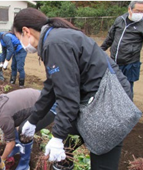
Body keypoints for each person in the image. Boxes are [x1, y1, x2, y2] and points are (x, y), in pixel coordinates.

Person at [12, 8, 132, 170]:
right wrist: (33, 120)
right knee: (67, 132)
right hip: (100, 101)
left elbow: (68, 96)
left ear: (26, 31)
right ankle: (63, 163)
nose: (21, 43)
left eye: (18, 37)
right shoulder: (55, 37)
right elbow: (52, 86)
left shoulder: (55, 44)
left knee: (102, 164)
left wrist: (57, 137)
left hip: (109, 108)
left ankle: (63, 161)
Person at [0, 89, 56, 170]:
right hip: (39, 98)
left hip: (48, 105)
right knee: (10, 128)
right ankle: (17, 149)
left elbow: (10, 142)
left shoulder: (2, 115)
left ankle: (24, 165)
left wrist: (2, 159)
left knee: (24, 131)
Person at [101, 1, 143, 98]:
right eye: (137, 11)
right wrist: (100, 49)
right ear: (130, 9)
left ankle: (128, 110)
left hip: (130, 63)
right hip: (114, 61)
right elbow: (110, 38)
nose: (140, 14)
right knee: (113, 85)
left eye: (142, 11)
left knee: (127, 87)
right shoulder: (120, 20)